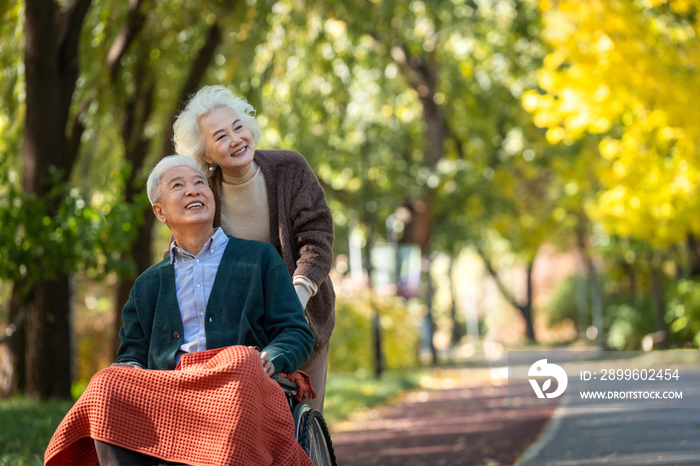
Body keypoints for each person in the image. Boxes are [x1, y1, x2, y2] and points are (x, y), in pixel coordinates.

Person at [45, 156, 315, 466]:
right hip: (171, 393)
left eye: (199, 183)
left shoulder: (260, 259)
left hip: (234, 385)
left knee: (240, 358)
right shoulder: (147, 285)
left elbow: (295, 332)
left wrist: (270, 358)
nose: (192, 190)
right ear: (159, 211)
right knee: (106, 381)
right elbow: (132, 353)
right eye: (178, 185)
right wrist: (130, 367)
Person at [172, 85, 335, 412]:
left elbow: (316, 237)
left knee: (306, 417)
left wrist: (296, 297)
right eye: (220, 136)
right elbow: (185, 254)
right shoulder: (206, 196)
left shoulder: (290, 169)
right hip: (241, 332)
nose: (235, 139)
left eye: (238, 127)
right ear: (205, 154)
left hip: (304, 317)